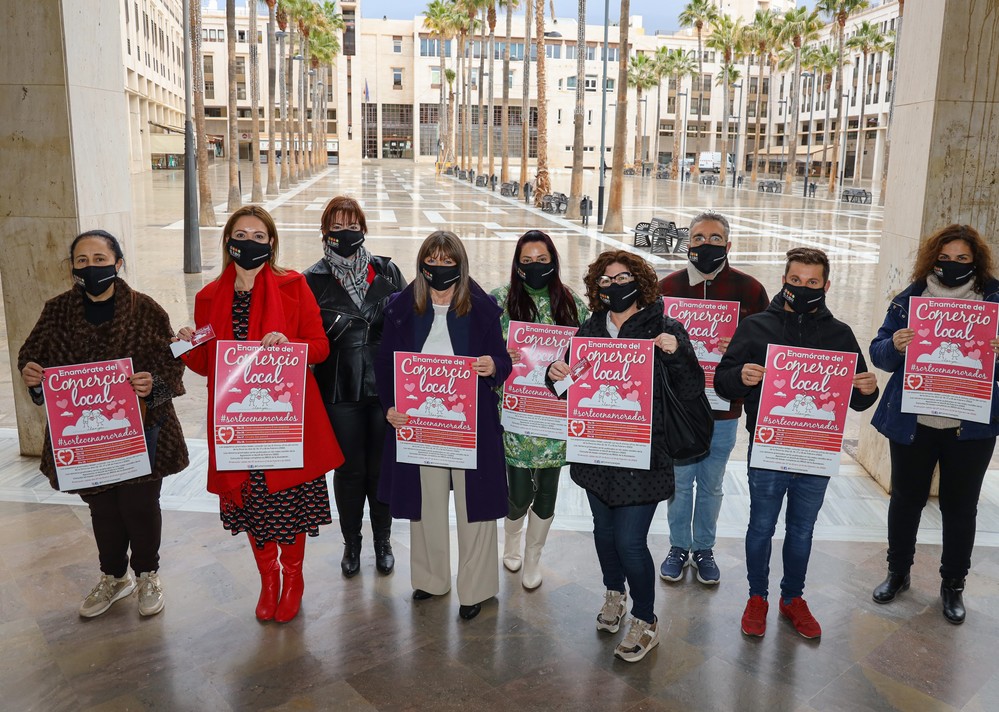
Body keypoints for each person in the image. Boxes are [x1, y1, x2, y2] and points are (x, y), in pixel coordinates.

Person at [179, 205, 343, 624]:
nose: (248, 242)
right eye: (240, 234)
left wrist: (290, 345)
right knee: (253, 507)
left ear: (271, 242)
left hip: (282, 423)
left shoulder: (293, 285)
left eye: (257, 235)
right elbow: (206, 364)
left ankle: (294, 579)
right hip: (236, 426)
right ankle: (268, 580)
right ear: (228, 241)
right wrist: (185, 344)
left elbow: (320, 347)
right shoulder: (208, 297)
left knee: (287, 507)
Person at [18, 229, 189, 618]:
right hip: (85, 438)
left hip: (143, 432)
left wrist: (153, 384)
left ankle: (146, 573)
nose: (91, 267)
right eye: (82, 261)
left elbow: (170, 363)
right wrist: (32, 375)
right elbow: (31, 356)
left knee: (140, 504)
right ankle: (114, 577)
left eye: (100, 259)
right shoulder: (56, 311)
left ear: (118, 262)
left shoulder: (145, 309)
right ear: (72, 268)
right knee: (103, 509)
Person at [547, 250, 704, 663]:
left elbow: (691, 389)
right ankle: (614, 593)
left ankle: (646, 620)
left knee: (630, 541)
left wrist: (677, 353)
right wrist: (554, 375)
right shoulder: (588, 330)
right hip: (597, 453)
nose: (614, 287)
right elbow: (567, 390)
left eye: (623, 278)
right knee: (603, 532)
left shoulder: (665, 328)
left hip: (644, 455)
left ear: (640, 283)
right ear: (597, 288)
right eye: (606, 280)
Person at [715, 247, 879, 639]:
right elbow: (723, 382)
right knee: (760, 526)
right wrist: (742, 376)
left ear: (825, 285)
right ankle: (758, 597)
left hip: (815, 451)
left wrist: (868, 389)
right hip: (769, 448)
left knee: (802, 531)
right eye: (795, 281)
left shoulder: (839, 334)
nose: (803, 288)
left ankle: (793, 598)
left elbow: (856, 397)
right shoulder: (756, 327)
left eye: (812, 282)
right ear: (784, 280)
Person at [375, 230, 512, 621]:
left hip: (471, 427)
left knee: (476, 509)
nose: (438, 267)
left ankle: (477, 587)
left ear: (460, 265)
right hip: (419, 428)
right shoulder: (402, 307)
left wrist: (492, 367)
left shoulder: (481, 307)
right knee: (427, 505)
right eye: (431, 260)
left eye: (446, 261)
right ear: (422, 264)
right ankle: (432, 579)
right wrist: (390, 407)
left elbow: (503, 362)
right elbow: (386, 364)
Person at [868, 224, 999, 624]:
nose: (953, 264)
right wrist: (896, 345)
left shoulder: (994, 298)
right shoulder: (910, 299)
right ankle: (898, 572)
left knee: (962, 508)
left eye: (962, 258)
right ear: (932, 258)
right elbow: (879, 354)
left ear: (975, 260)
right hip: (915, 420)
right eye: (946, 257)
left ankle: (953, 584)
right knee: (906, 501)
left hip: (970, 427)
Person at [658, 212, 769, 585]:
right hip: (678, 408)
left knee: (712, 483)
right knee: (679, 481)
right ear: (688, 243)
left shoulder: (750, 290)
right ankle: (678, 546)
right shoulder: (667, 287)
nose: (707, 244)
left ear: (728, 245)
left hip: (724, 408)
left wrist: (741, 344)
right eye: (699, 237)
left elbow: (769, 347)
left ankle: (703, 547)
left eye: (715, 238)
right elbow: (642, 341)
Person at [303, 196, 406, 578]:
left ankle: (383, 540)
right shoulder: (311, 279)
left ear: (363, 228)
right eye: (337, 225)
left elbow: (413, 321)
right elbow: (303, 335)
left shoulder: (388, 271)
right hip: (338, 389)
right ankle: (352, 543)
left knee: (381, 469)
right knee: (348, 472)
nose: (345, 232)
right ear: (325, 231)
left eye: (352, 224)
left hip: (385, 389)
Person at [491, 230, 589, 590]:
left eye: (542, 260)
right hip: (515, 414)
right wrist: (502, 355)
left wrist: (572, 368)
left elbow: (592, 352)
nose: (535, 267)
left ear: (554, 262)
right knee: (517, 492)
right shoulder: (499, 300)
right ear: (517, 264)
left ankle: (534, 556)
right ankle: (512, 539)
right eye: (527, 261)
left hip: (555, 416)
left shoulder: (572, 303)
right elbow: (480, 349)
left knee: (547, 490)